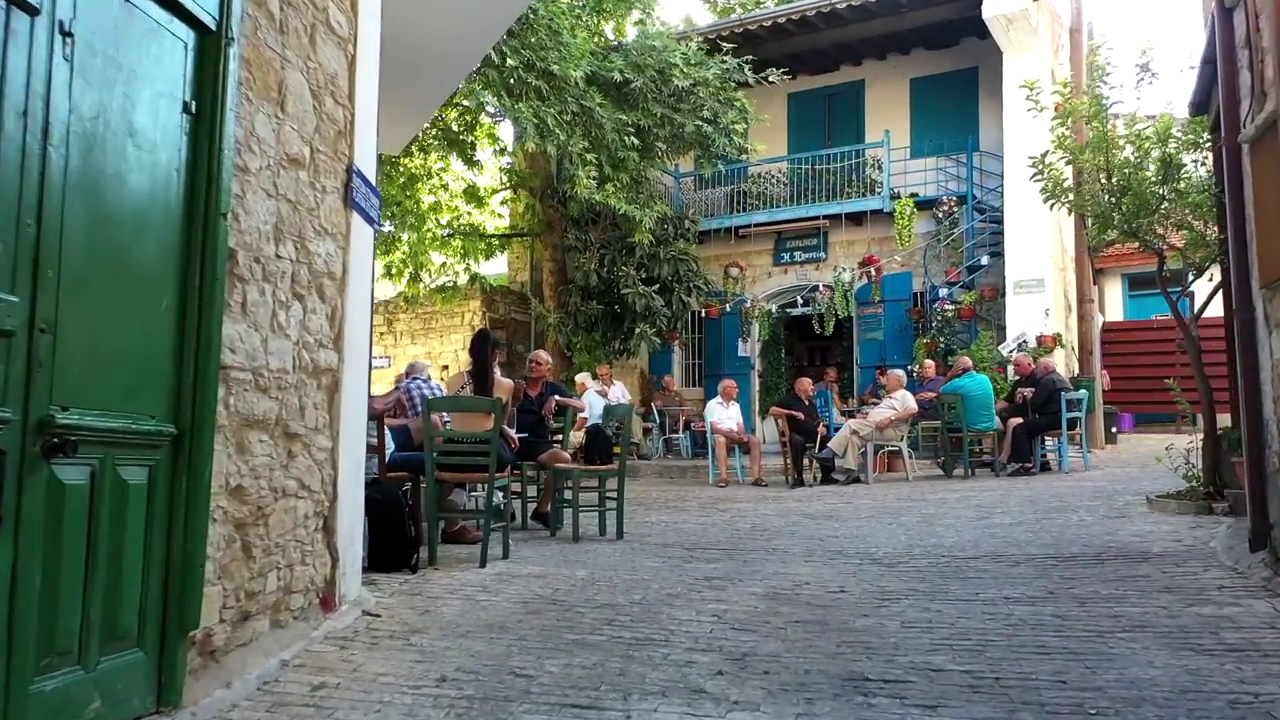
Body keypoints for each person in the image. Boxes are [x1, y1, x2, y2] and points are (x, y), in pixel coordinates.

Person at [513, 350, 586, 529]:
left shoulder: (552, 389)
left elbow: (581, 406)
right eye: (530, 362)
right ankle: (503, 506)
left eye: (538, 363)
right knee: (499, 458)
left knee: (563, 459)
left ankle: (541, 509)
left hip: (538, 444)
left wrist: (556, 399)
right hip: (512, 441)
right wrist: (513, 399)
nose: (532, 365)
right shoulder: (515, 385)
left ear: (548, 370)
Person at [809, 369, 917, 485]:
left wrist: (890, 418)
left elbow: (913, 410)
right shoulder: (889, 396)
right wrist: (867, 416)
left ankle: (828, 454)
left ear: (898, 381)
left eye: (888, 379)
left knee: (851, 423)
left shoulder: (904, 394)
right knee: (853, 439)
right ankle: (853, 474)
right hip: (876, 427)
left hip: (891, 430)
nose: (885, 381)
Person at [1006, 357, 1075, 476]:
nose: (1036, 370)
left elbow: (1034, 405)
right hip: (1069, 420)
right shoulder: (1059, 378)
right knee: (1032, 426)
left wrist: (1027, 396)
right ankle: (1042, 462)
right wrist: (1031, 391)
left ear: (1045, 368)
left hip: (1056, 419)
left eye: (1037, 367)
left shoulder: (1046, 381)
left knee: (1020, 429)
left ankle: (1026, 465)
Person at [767, 377, 831, 489]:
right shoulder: (790, 400)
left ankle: (826, 476)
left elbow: (818, 420)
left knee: (827, 439)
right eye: (810, 385)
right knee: (797, 441)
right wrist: (791, 412)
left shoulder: (811, 404)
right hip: (795, 434)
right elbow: (772, 410)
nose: (813, 387)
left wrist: (822, 428)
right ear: (800, 387)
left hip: (812, 434)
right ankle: (799, 477)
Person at [704, 379, 767, 488]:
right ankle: (723, 478)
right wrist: (730, 435)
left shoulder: (735, 406)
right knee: (720, 440)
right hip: (720, 434)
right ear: (726, 389)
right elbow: (714, 428)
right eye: (735, 388)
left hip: (734, 433)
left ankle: (756, 477)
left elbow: (740, 424)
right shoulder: (712, 405)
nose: (737, 390)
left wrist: (741, 434)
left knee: (754, 440)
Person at [591, 363, 650, 460]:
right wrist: (601, 390)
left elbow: (628, 400)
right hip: (610, 415)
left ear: (610, 373)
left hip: (624, 412)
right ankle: (639, 448)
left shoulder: (619, 385)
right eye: (601, 375)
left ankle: (636, 445)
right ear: (598, 376)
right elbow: (594, 389)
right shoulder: (596, 385)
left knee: (636, 420)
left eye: (606, 374)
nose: (604, 377)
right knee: (636, 421)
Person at [938, 356, 997, 432]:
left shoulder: (958, 384)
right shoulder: (985, 378)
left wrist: (949, 375)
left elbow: (939, 391)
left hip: (971, 428)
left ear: (957, 370)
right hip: (990, 426)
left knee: (945, 428)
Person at [567, 371, 607, 452]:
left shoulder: (586, 396)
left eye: (577, 385)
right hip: (602, 434)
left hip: (588, 434)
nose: (576, 388)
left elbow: (582, 421)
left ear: (583, 385)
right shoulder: (599, 394)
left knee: (559, 440)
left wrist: (572, 432)